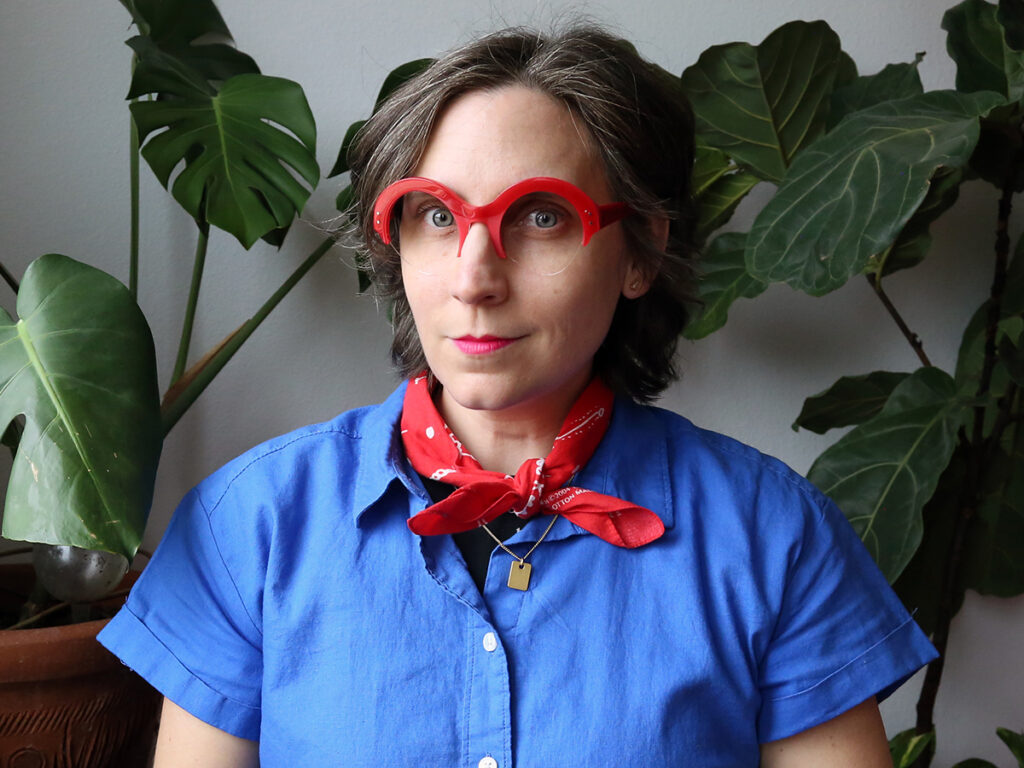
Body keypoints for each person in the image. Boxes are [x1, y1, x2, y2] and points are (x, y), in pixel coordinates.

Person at [98, 24, 937, 767]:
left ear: (640, 250)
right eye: (434, 216)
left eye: (540, 217)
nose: (475, 278)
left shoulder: (773, 539)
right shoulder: (250, 528)